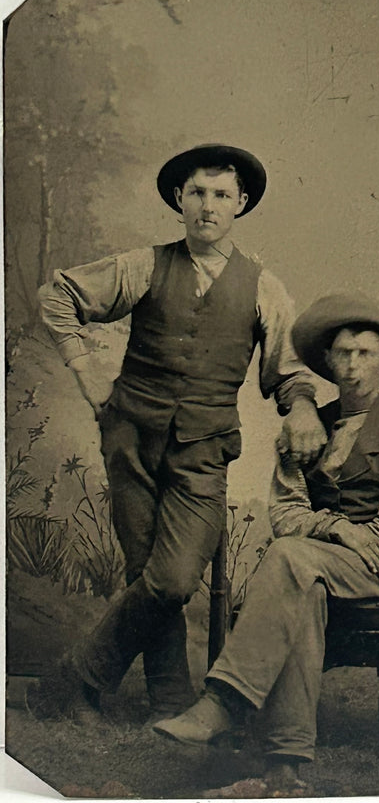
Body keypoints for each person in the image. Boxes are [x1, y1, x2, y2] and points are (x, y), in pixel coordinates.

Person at [34, 144, 325, 722]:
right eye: (197, 193)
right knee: (146, 573)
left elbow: (288, 372)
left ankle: (74, 677)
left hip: (204, 453)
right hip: (130, 440)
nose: (208, 207)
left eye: (221, 195)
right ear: (179, 200)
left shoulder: (265, 287)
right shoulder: (145, 264)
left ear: (240, 204)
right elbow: (57, 295)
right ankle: (169, 701)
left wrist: (304, 410)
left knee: (170, 581)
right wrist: (86, 367)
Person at [153, 291, 379, 793]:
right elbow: (285, 516)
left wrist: (340, 536)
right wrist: (337, 527)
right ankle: (285, 766)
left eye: (365, 353)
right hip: (313, 572)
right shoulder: (305, 430)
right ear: (327, 362)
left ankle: (222, 703)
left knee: (292, 560)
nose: (352, 366)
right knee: (301, 584)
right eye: (342, 353)